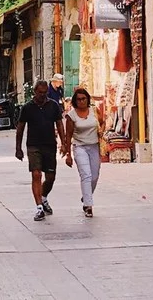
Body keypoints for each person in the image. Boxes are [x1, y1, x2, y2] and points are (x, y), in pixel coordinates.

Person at [15, 79, 66, 222]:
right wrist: (18, 148)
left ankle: (43, 198)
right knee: (36, 174)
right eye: (40, 92)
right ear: (35, 92)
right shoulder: (27, 108)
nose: (42, 95)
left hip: (49, 144)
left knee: (50, 178)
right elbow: (20, 128)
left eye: (45, 93)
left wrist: (64, 143)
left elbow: (59, 124)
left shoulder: (53, 106)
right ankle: (39, 208)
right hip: (33, 145)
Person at [64, 88, 104, 218]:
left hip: (94, 146)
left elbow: (101, 123)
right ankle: (88, 205)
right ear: (75, 101)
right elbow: (68, 135)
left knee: (95, 176)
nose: (81, 102)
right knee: (86, 175)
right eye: (78, 99)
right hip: (79, 147)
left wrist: (100, 131)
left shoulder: (94, 111)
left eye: (83, 99)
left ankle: (86, 197)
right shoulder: (71, 115)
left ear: (87, 99)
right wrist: (68, 154)